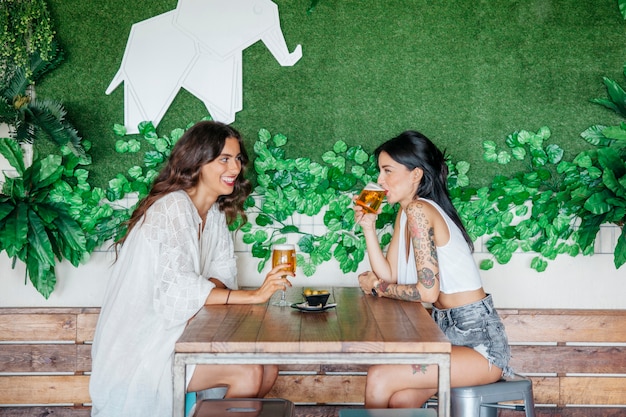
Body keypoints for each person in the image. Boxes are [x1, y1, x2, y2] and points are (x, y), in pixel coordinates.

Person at [89, 121, 294, 417]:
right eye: (224, 158)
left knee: (269, 368)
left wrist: (200, 292)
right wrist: (253, 296)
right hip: (143, 350)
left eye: (237, 159)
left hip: (181, 336)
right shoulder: (172, 207)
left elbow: (222, 279)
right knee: (246, 373)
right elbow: (179, 292)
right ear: (197, 161)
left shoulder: (214, 214)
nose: (235, 168)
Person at [353, 130, 513, 409]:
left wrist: (377, 288)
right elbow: (389, 274)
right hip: (444, 339)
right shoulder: (406, 212)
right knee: (400, 399)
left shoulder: (419, 210)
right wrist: (369, 227)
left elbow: (427, 292)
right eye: (380, 171)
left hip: (479, 347)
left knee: (380, 375)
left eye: (388, 170)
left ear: (415, 174)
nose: (380, 180)